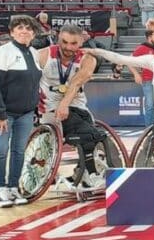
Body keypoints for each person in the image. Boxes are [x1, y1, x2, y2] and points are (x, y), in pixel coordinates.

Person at [36, 25, 104, 189]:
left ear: (81, 41)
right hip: (50, 109)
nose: (68, 47)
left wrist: (64, 104)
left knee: (95, 134)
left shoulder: (88, 59)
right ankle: (89, 174)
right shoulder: (42, 55)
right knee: (88, 134)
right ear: (58, 38)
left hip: (77, 107)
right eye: (64, 42)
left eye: (73, 43)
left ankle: (83, 171)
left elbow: (76, 82)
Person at [0, 15, 42, 208]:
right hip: (5, 115)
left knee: (19, 152)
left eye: (28, 28)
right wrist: (0, 113)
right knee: (1, 151)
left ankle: (13, 187)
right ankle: (0, 188)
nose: (24, 31)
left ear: (34, 33)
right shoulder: (2, 52)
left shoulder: (34, 53)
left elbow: (34, 84)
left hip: (26, 114)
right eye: (19, 27)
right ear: (12, 32)